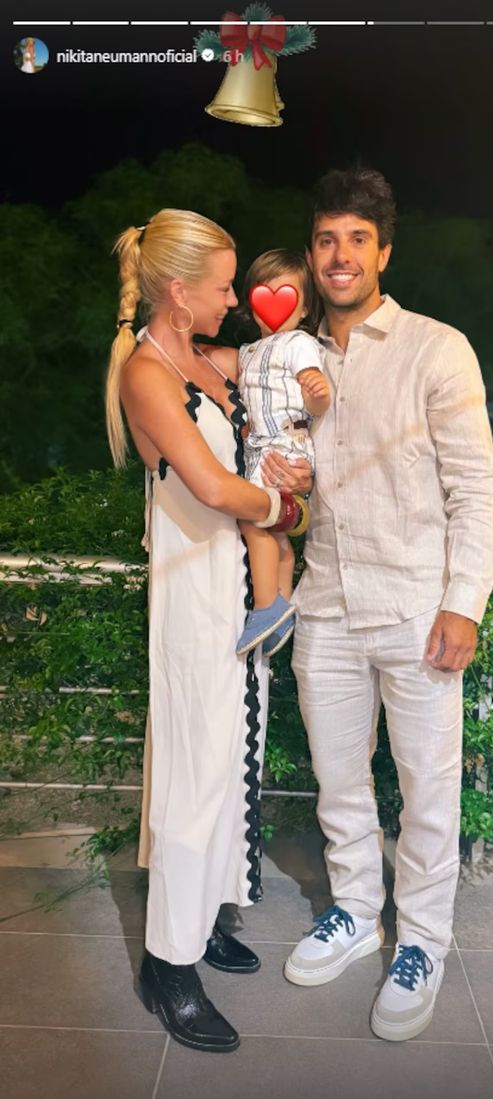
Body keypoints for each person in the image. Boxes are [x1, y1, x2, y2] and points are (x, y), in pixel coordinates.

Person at [283, 169, 493, 1042]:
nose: (340, 255)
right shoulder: (288, 359)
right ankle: (353, 911)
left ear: (384, 253)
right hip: (325, 604)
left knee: (427, 790)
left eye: (357, 240)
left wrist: (464, 602)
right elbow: (287, 483)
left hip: (416, 607)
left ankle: (421, 943)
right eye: (326, 239)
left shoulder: (435, 349)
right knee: (338, 781)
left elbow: (473, 487)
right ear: (312, 254)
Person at [105, 208, 311, 1053]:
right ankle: (168, 963)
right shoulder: (147, 374)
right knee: (194, 771)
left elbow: (280, 381)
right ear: (178, 292)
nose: (234, 300)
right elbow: (216, 488)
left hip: (238, 586)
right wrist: (286, 509)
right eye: (223, 287)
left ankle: (204, 916)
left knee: (232, 760)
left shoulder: (211, 359)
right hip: (194, 593)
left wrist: (292, 457)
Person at [235, 249, 331, 658]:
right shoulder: (247, 352)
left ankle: (265, 606)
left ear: (305, 306)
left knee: (254, 517)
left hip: (284, 444)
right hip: (263, 447)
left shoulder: (298, 343)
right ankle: (283, 607)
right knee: (275, 531)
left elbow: (315, 397)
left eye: (287, 295)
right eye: (264, 293)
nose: (274, 305)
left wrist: (317, 391)